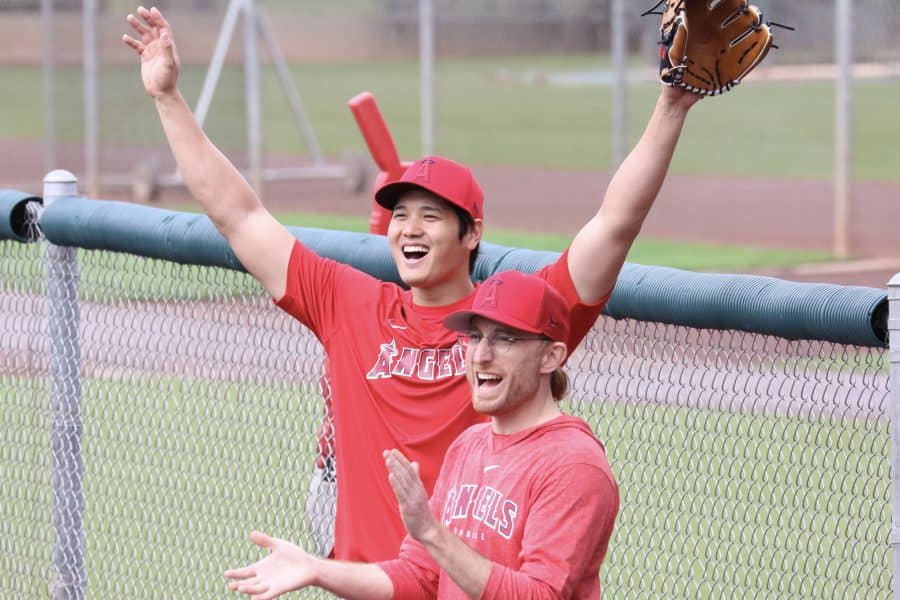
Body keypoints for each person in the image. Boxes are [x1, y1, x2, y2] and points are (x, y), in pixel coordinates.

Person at [122, 6, 700, 562]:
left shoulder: (515, 323)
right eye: (400, 214)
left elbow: (614, 226)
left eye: (430, 215)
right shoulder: (348, 302)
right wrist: (167, 98)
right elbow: (239, 215)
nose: (408, 229)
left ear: (471, 234)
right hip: (369, 584)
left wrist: (671, 106)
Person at [225, 270, 619, 599]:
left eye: (505, 339)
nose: (481, 355)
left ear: (551, 356)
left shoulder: (573, 464)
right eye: (475, 337)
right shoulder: (469, 446)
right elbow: (419, 574)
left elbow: (540, 596)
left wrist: (431, 533)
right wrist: (316, 569)